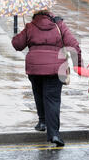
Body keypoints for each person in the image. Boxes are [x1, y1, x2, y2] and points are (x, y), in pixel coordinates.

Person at [12, 10, 82, 147]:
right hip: (55, 69)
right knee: (53, 100)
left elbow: (17, 45)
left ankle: (42, 122)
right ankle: (54, 134)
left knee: (38, 94)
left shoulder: (30, 26)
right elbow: (74, 45)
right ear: (50, 15)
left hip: (34, 68)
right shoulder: (59, 25)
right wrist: (79, 65)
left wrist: (20, 33)